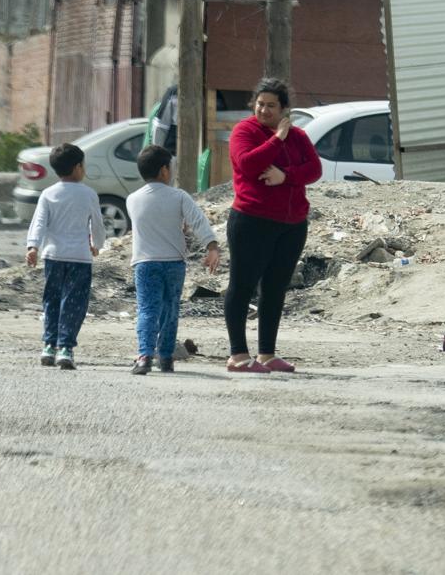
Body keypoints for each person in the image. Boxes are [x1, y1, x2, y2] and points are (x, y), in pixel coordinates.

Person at [224, 77, 322, 374]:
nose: (264, 110)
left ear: (284, 109)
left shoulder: (299, 136)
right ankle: (238, 355)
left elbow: (314, 169)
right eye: (260, 104)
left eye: (271, 105)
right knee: (242, 286)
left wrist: (286, 175)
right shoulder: (245, 131)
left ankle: (267, 353)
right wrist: (276, 138)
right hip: (252, 221)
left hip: (291, 224)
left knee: (275, 289)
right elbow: (248, 164)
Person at [126, 144, 221, 375]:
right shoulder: (179, 196)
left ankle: (144, 356)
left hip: (145, 263)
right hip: (174, 264)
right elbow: (198, 222)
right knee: (170, 310)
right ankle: (166, 357)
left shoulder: (132, 199)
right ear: (164, 171)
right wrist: (212, 246)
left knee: (147, 309)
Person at [25, 143, 105, 370]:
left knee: (51, 300)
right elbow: (97, 224)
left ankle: (49, 345)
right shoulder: (89, 194)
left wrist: (33, 246)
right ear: (78, 167)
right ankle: (65, 348)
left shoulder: (48, 194)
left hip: (53, 256)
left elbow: (39, 222)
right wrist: (96, 244)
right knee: (74, 303)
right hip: (80, 257)